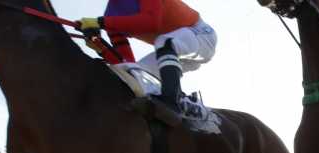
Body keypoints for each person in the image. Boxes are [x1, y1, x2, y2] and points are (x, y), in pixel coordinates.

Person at [78, 0, 217, 115]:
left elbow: (151, 21)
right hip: (173, 53)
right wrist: (100, 47)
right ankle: (184, 103)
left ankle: (171, 102)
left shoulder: (107, 18)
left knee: (164, 42)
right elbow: (127, 63)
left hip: (201, 36)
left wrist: (100, 22)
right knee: (134, 76)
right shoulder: (110, 14)